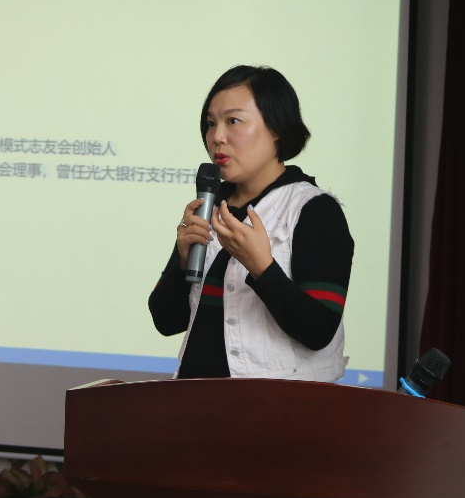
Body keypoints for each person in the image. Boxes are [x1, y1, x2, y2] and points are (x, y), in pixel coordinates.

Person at [148, 65, 354, 381]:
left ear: (276, 127)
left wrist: (262, 268)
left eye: (233, 121)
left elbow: (318, 331)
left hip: (274, 405)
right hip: (193, 399)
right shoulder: (209, 206)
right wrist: (182, 262)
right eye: (211, 124)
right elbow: (166, 321)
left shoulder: (314, 210)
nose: (217, 137)